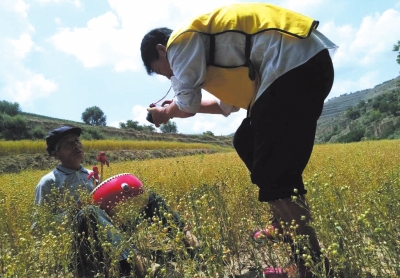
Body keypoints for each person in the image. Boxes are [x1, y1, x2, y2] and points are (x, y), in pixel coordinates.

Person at [140, 3, 337, 278]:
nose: (171, 76)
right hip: (301, 65)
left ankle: (310, 268)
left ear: (162, 50)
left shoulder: (179, 42)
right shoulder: (212, 50)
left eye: (164, 72)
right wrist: (174, 107)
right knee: (247, 139)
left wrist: (164, 113)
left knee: (275, 176)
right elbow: (224, 105)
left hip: (290, 67)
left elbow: (187, 104)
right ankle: (283, 225)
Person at [33, 125, 198, 277]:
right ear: (55, 153)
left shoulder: (93, 175)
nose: (76, 146)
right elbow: (39, 226)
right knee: (89, 211)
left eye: (77, 141)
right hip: (81, 243)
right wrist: (74, 211)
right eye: (68, 144)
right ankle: (140, 264)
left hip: (108, 232)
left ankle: (188, 237)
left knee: (148, 197)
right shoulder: (49, 182)